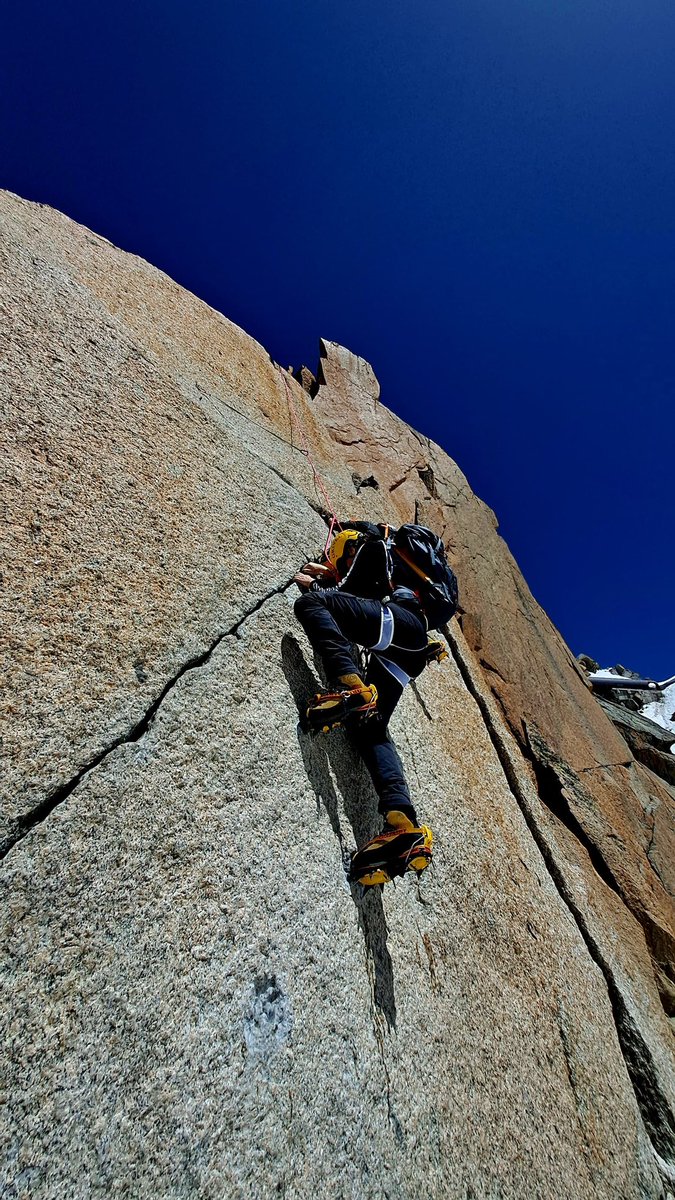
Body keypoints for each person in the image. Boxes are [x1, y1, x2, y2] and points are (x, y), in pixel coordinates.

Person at [294, 522, 439, 887]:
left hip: (400, 629)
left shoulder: (373, 549)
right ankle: (404, 828)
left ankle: (353, 690)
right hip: (404, 653)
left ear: (347, 549)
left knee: (312, 604)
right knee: (371, 730)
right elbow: (357, 603)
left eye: (339, 559)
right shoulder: (396, 575)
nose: (338, 566)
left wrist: (319, 583)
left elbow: (343, 595)